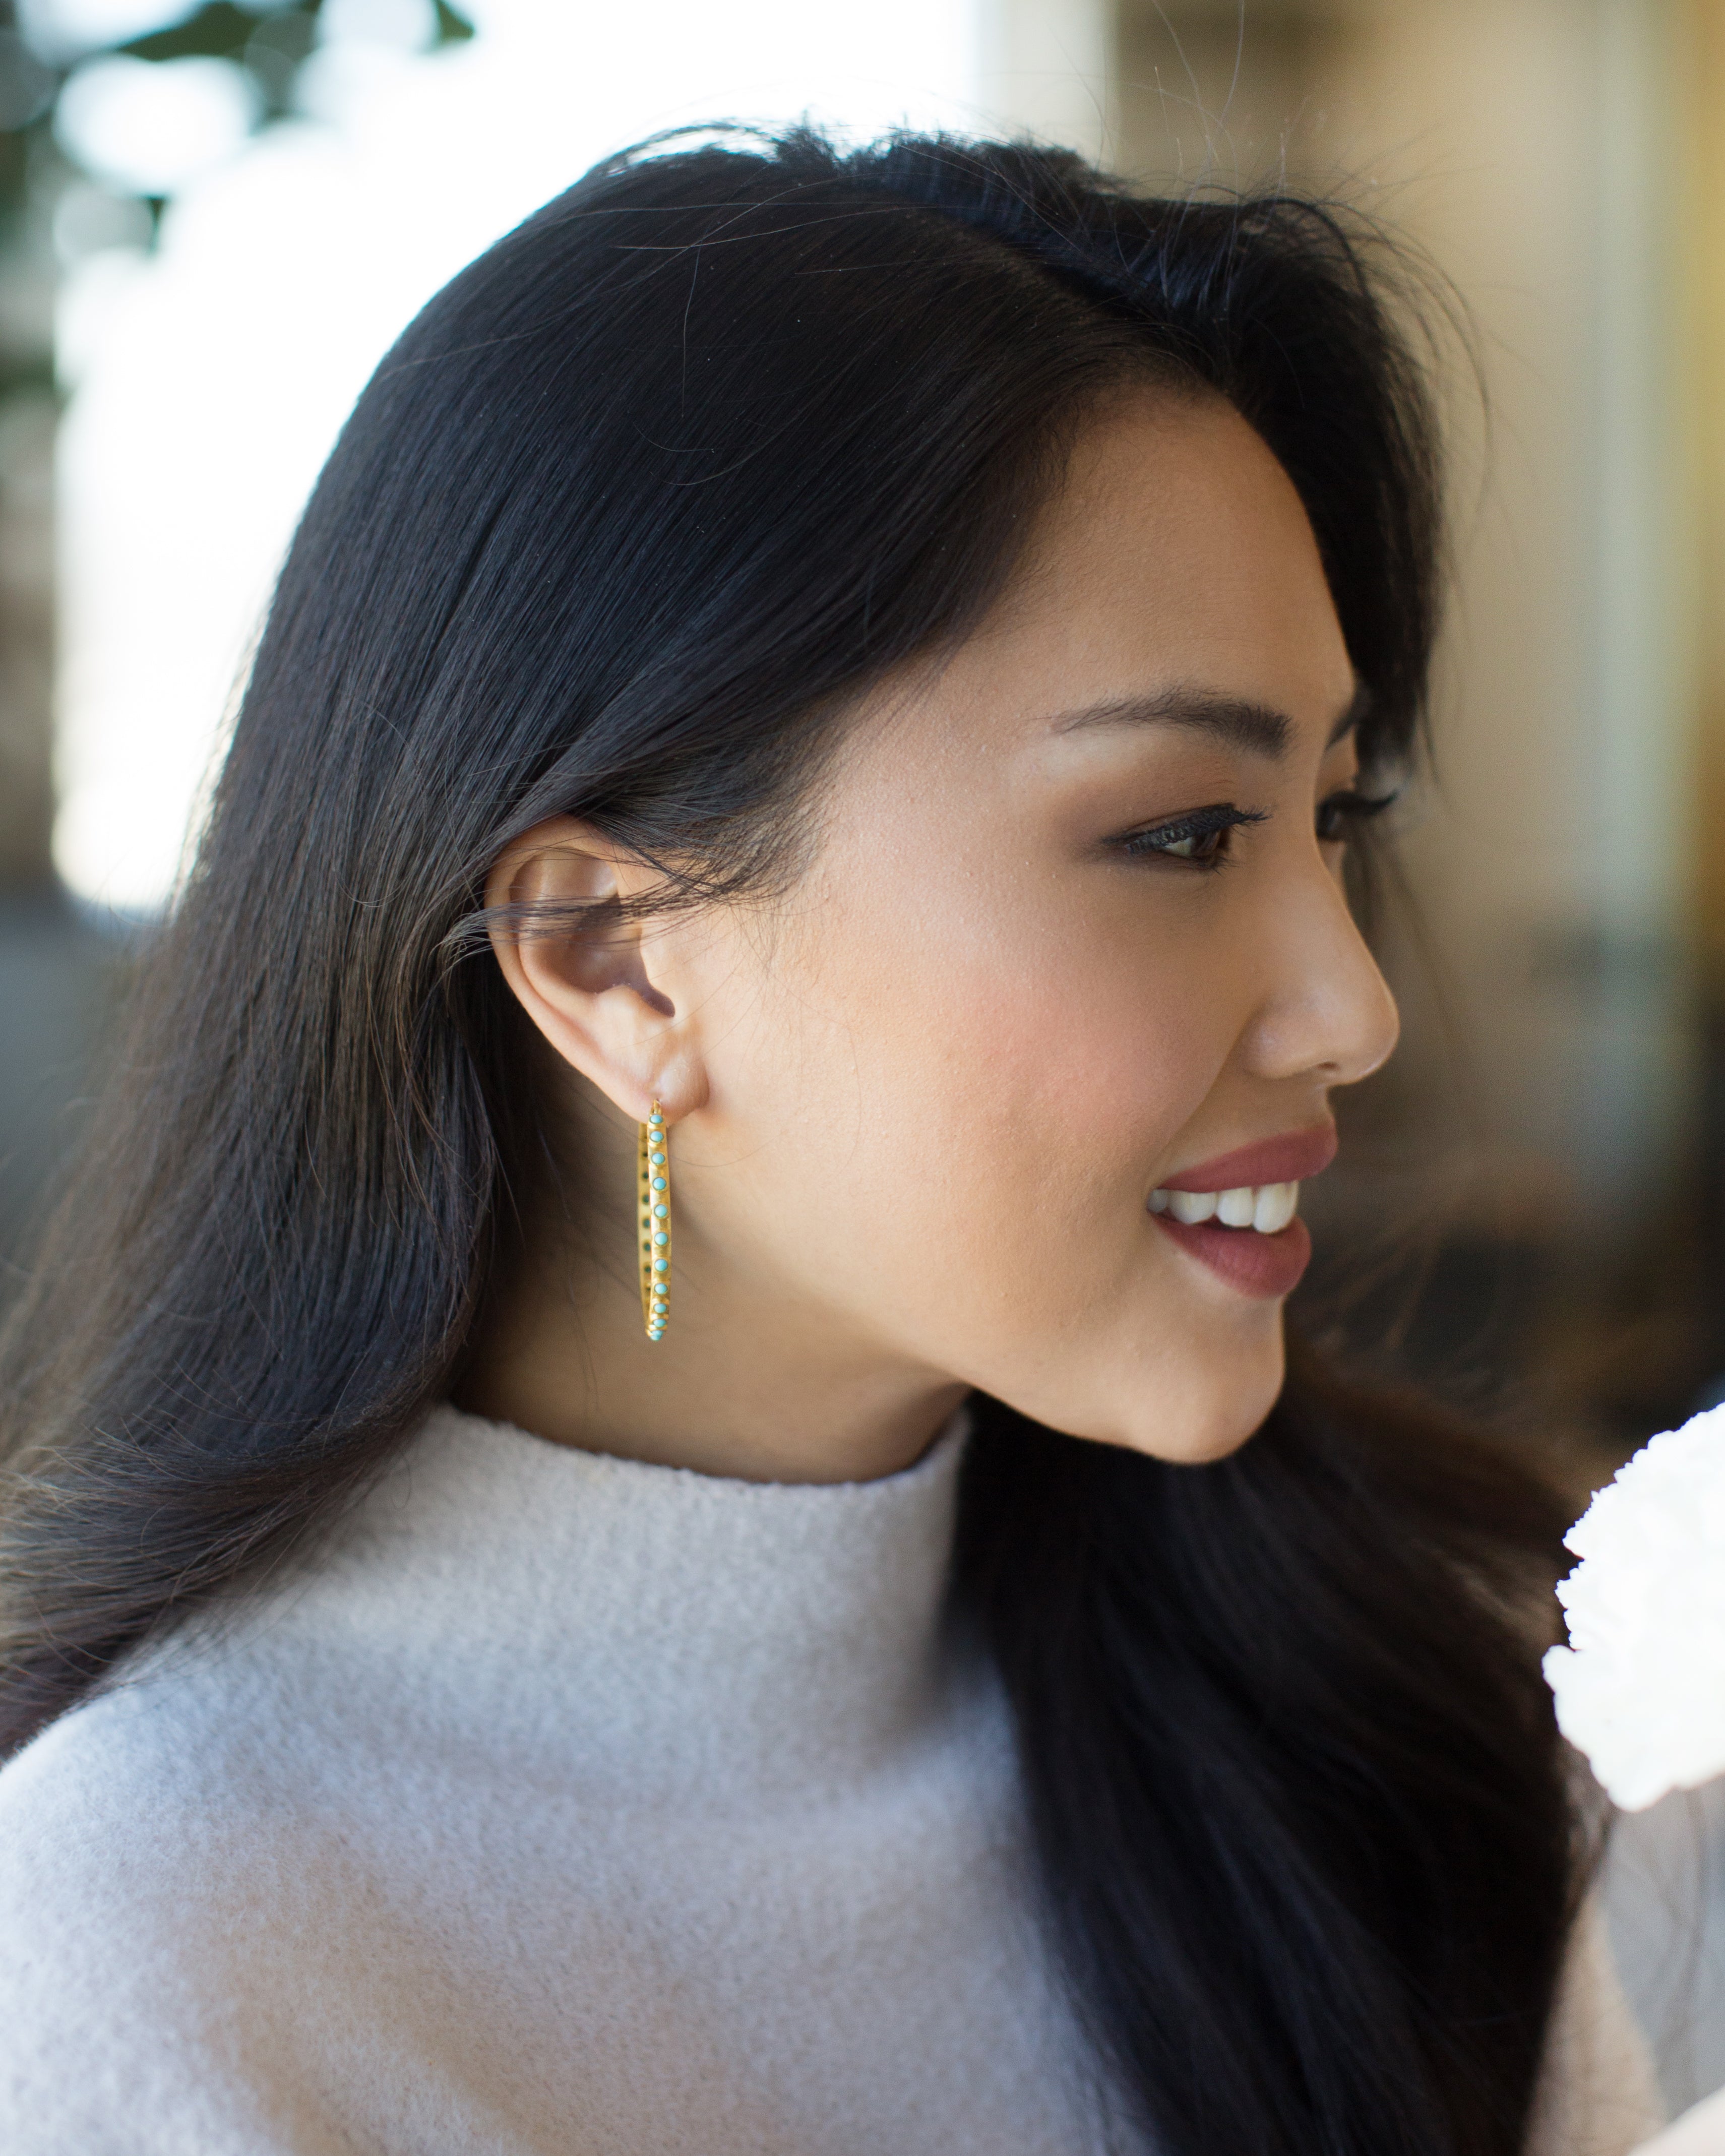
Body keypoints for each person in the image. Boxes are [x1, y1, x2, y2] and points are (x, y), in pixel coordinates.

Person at [0, 127, 1666, 2153]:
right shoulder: (138, 1960)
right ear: (613, 958)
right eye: (1179, 832)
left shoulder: (1442, 1732)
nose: (1355, 1006)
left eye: (1331, 816)